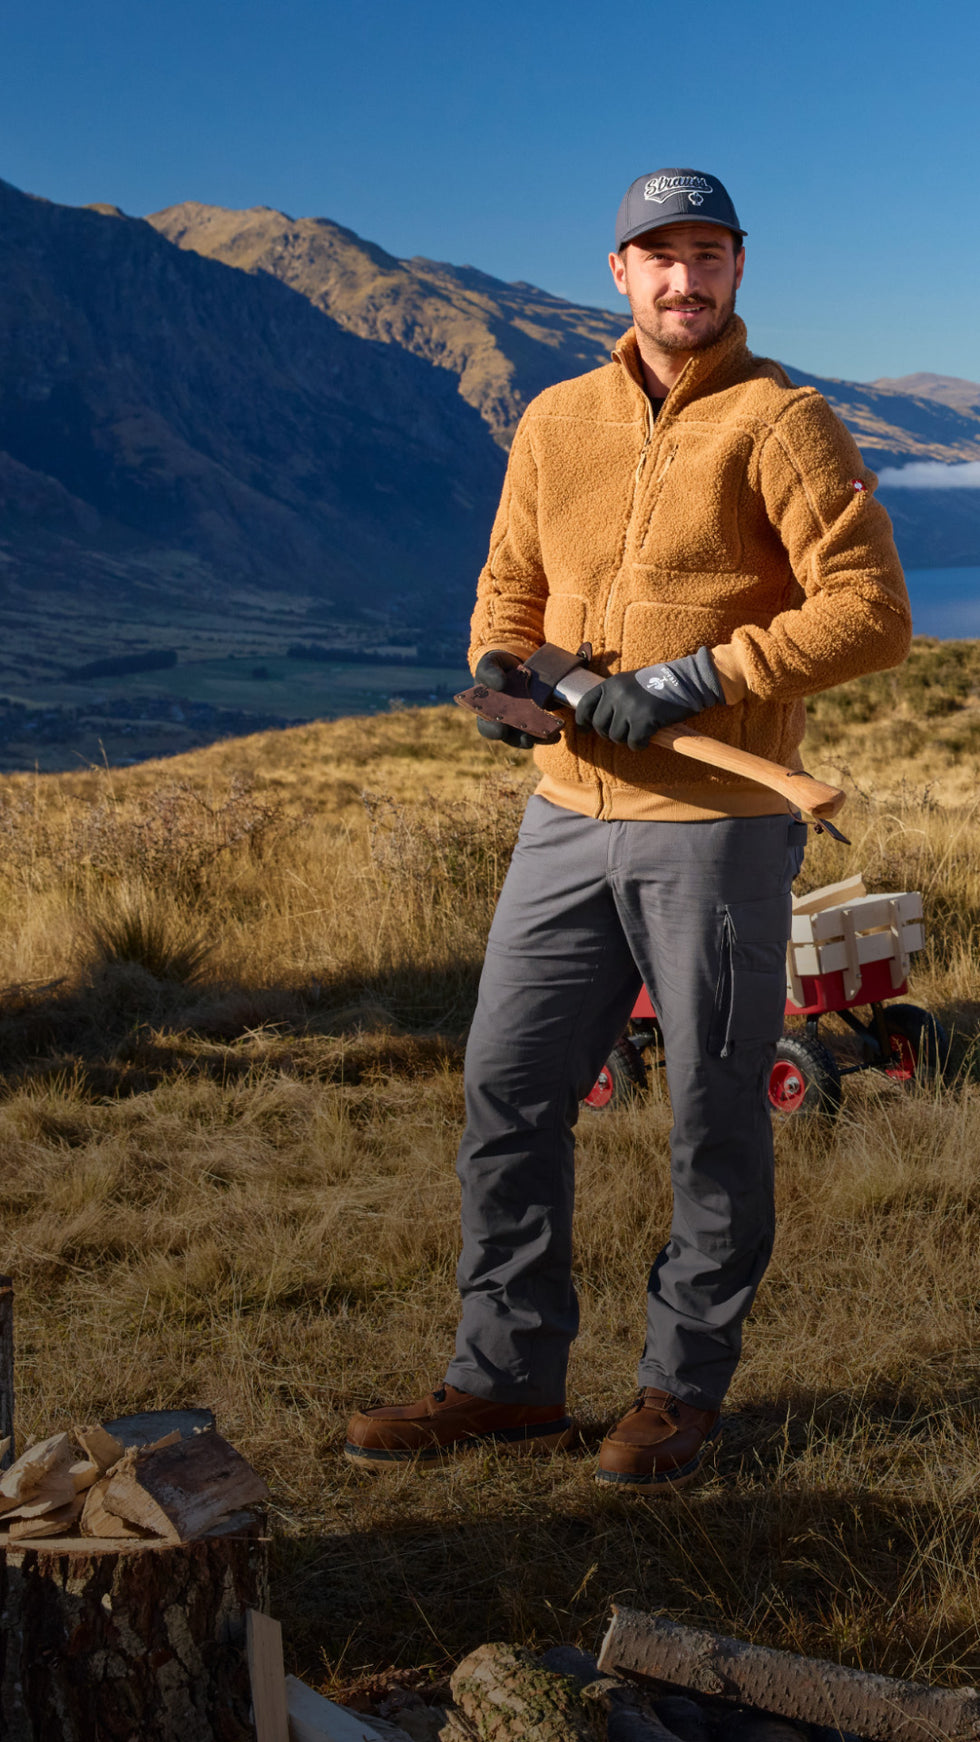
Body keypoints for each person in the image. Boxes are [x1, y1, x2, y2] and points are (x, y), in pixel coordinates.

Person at [345, 167, 912, 1489]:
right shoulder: (556, 418)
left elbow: (872, 612)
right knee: (507, 1090)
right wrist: (502, 672)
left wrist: (695, 679)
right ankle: (506, 1380)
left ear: (739, 267)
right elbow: (509, 581)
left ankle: (678, 1389)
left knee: (713, 1112)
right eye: (660, 255)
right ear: (619, 272)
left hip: (715, 826)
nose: (684, 278)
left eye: (707, 254)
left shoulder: (783, 421)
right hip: (564, 817)